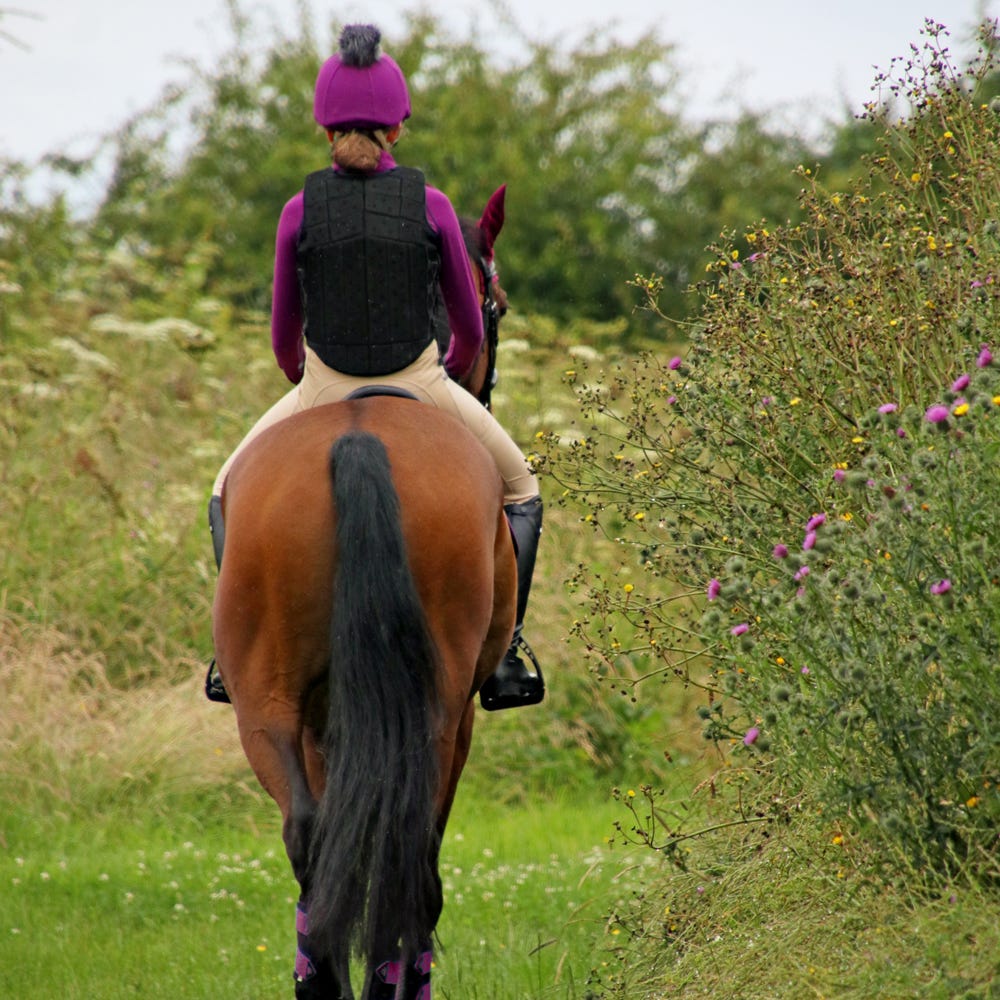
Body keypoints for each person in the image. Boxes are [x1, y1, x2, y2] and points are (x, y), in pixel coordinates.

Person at [205, 24, 544, 711]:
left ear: (323, 129)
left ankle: (234, 653)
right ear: (399, 126)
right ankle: (505, 654)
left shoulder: (298, 210)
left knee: (224, 492)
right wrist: (442, 374)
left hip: (323, 383)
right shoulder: (435, 205)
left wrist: (313, 385)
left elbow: (281, 334)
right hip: (420, 378)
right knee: (522, 489)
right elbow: (470, 326)